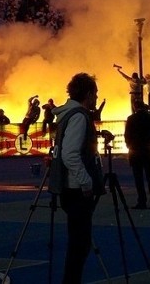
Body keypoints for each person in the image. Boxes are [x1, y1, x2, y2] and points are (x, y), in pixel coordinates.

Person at [48, 72, 103, 283]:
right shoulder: (79, 116)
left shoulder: (67, 115)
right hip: (77, 189)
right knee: (80, 245)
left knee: (77, 243)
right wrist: (86, 181)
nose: (96, 99)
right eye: (95, 94)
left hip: (68, 187)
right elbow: (70, 154)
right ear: (88, 94)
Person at [124, 101, 150, 208]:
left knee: (138, 178)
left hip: (135, 151)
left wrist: (129, 145)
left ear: (135, 107)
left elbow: (127, 135)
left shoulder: (131, 119)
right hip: (149, 150)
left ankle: (142, 201)